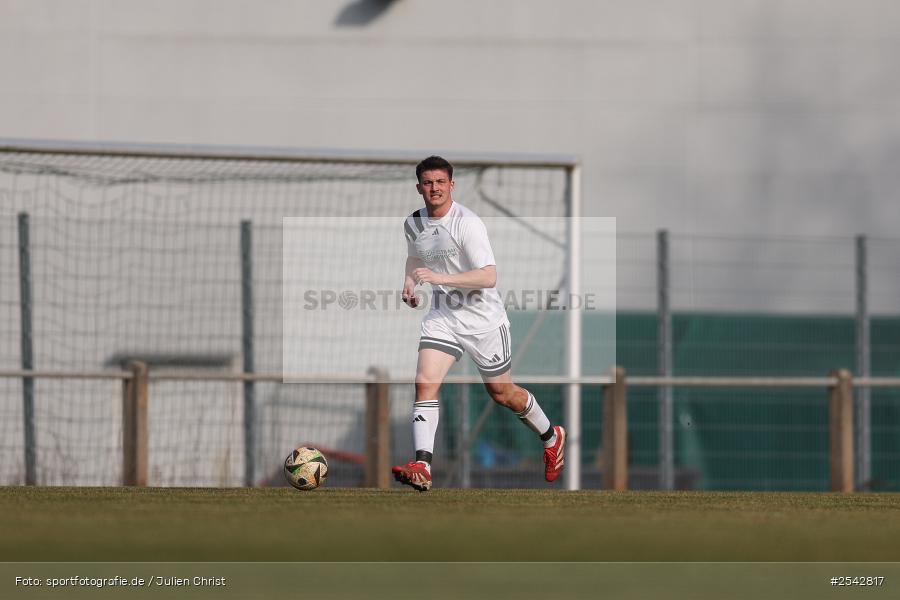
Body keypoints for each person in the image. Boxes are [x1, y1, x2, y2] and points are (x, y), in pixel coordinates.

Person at [391, 155, 565, 492]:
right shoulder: (413, 223)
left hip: (484, 321)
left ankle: (550, 435)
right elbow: (416, 255)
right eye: (428, 183)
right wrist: (410, 283)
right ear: (418, 188)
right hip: (444, 317)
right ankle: (423, 465)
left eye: (441, 182)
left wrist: (439, 276)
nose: (434, 188)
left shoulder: (467, 223)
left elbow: (489, 277)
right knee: (425, 382)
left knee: (502, 393)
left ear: (452, 185)